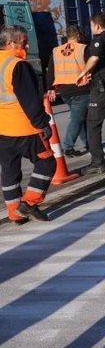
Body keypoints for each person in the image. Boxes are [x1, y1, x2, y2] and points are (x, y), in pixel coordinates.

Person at [0, 26, 55, 223]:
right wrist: (43, 123)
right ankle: (29, 204)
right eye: (23, 41)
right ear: (10, 43)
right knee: (47, 162)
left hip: (2, 131)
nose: (27, 45)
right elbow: (30, 101)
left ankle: (15, 213)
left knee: (9, 170)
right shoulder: (17, 65)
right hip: (25, 128)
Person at [76, 12, 105, 174]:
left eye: (91, 26)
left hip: (102, 88)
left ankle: (97, 161)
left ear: (96, 25)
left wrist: (83, 73)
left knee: (93, 124)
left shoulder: (99, 40)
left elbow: (95, 58)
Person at [46, 25, 90, 157]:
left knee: (80, 117)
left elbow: (50, 71)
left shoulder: (56, 51)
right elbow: (91, 66)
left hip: (64, 91)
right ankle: (68, 146)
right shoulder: (83, 48)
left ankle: (88, 142)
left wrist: (50, 88)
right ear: (78, 36)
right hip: (80, 89)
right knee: (77, 119)